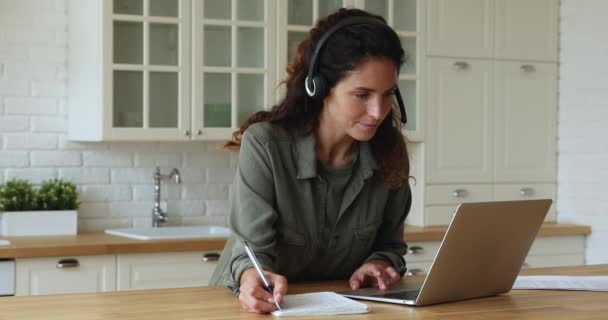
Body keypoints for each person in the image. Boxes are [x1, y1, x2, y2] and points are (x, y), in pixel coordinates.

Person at [209, 8, 412, 314]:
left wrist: (378, 264)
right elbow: (250, 253)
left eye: (388, 94)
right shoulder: (266, 145)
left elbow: (391, 246)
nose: (378, 111)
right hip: (253, 309)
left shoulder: (389, 154)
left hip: (341, 310)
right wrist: (252, 278)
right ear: (319, 87)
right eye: (362, 94)